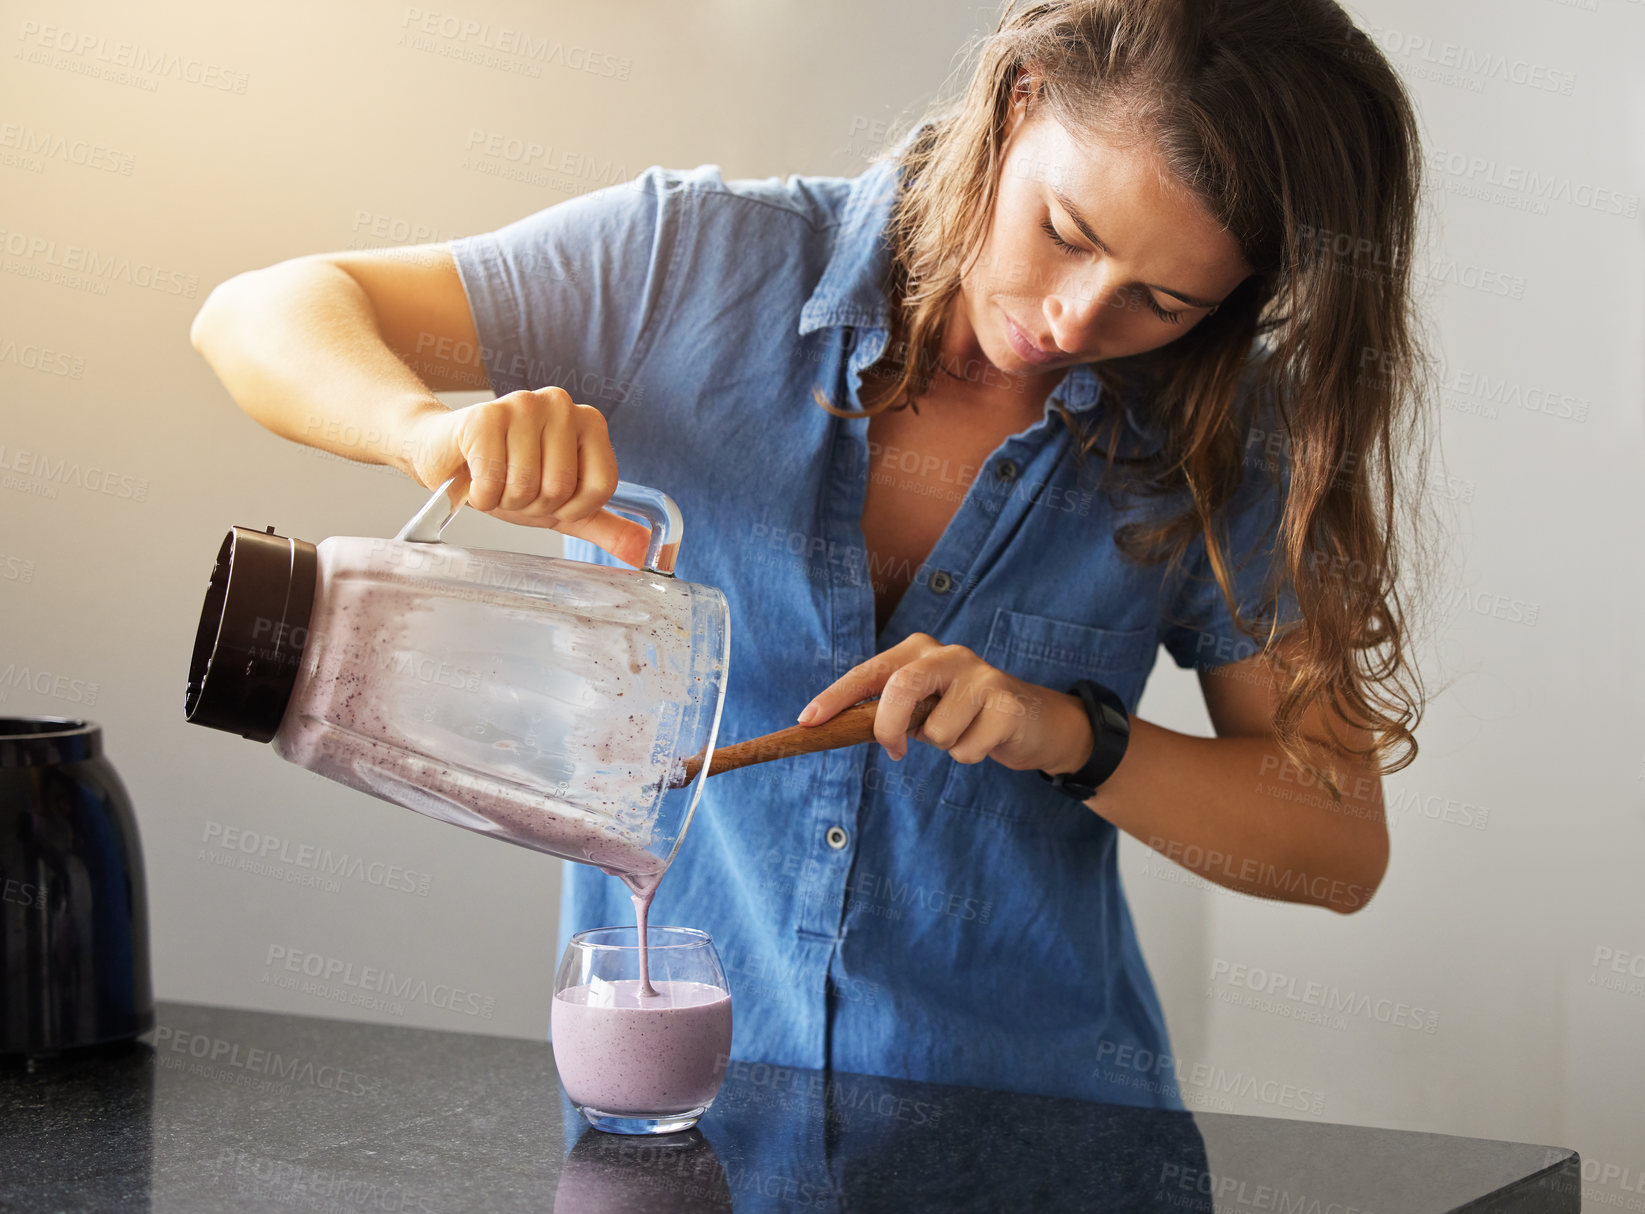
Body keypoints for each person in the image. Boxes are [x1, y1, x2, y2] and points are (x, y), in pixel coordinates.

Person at [190, 0, 1430, 1108]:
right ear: (1019, 98)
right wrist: (436, 428)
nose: (1075, 319)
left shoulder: (1227, 428)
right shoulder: (683, 266)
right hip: (672, 1132)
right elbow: (257, 313)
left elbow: (1332, 840)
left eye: (1164, 301)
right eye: (1063, 230)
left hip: (1044, 1144)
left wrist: (1067, 732)